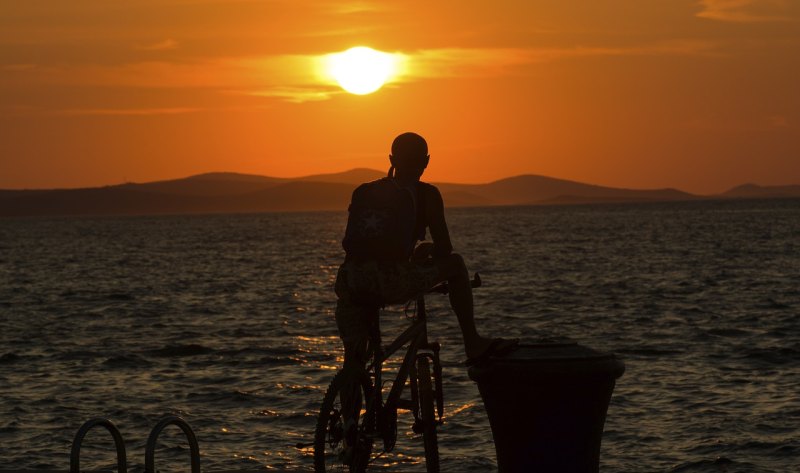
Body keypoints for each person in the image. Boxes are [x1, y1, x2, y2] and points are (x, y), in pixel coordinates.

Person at [334, 132, 517, 367]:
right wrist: (428, 249)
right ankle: (472, 343)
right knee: (456, 264)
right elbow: (445, 249)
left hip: (350, 281)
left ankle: (349, 393)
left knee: (354, 364)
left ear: (391, 159)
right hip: (390, 281)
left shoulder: (365, 191)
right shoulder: (427, 194)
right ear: (426, 160)